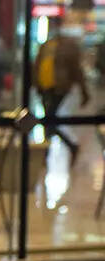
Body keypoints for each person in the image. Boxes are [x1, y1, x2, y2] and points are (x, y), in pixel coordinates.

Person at [33, 17, 91, 165]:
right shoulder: (46, 45)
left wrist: (84, 91)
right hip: (44, 86)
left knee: (49, 120)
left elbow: (76, 70)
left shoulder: (68, 46)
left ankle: (65, 147)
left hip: (59, 87)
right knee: (48, 120)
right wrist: (36, 83)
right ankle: (47, 152)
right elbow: (38, 65)